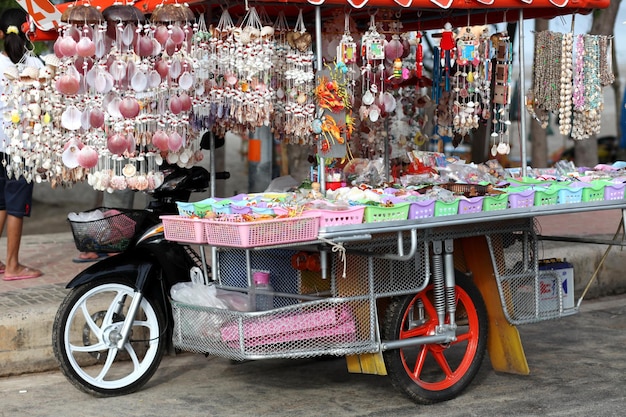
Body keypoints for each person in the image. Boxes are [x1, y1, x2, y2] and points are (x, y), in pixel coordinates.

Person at [0, 8, 43, 280]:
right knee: (16, 206)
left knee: (1, 203)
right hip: (22, 148)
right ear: (29, 29)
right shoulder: (36, 65)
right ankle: (13, 265)